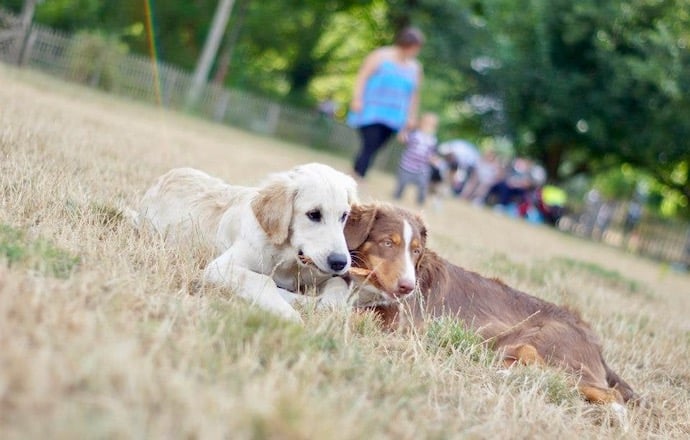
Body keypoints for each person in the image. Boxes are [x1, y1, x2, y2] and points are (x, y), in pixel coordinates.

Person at [347, 27, 425, 180]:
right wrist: (357, 98)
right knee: (371, 141)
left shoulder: (415, 67)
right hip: (372, 108)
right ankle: (360, 174)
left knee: (378, 144)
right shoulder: (381, 55)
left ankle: (356, 171)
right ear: (405, 44)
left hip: (395, 114)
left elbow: (414, 95)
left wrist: (412, 116)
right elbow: (363, 76)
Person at [393, 113, 439, 206]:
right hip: (407, 165)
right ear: (420, 124)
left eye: (431, 125)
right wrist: (406, 128)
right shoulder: (414, 135)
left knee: (423, 185)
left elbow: (432, 154)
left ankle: (420, 202)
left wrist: (434, 160)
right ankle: (397, 196)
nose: (428, 127)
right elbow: (402, 139)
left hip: (422, 168)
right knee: (402, 183)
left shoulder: (433, 140)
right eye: (426, 124)